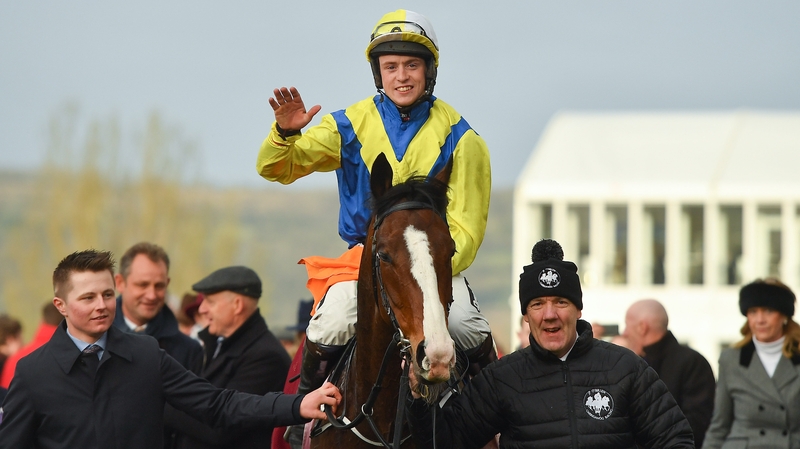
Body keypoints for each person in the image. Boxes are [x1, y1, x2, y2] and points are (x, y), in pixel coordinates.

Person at [256, 12, 496, 446]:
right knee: (332, 319)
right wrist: (284, 134)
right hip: (363, 263)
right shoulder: (346, 124)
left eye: (412, 65)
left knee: (464, 323)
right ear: (377, 72)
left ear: (430, 71)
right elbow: (276, 169)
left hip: (435, 268)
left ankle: (498, 421)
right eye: (391, 67)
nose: (401, 76)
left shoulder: (464, 140)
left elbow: (467, 228)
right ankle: (300, 423)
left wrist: (421, 270)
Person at [0, 249, 340, 448]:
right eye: (87, 298)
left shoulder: (147, 355)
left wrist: (298, 404)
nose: (101, 305)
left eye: (106, 294)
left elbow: (218, 404)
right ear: (60, 304)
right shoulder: (32, 374)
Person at [405, 239, 694, 448]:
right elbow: (445, 442)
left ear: (579, 310)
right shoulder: (502, 378)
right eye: (538, 304)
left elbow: (675, 438)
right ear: (526, 316)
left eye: (561, 302)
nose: (550, 315)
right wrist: (417, 400)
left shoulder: (625, 367)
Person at [165, 265, 292, 449]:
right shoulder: (215, 346)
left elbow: (223, 427)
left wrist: (164, 406)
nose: (202, 309)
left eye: (210, 301)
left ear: (237, 305)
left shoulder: (266, 357)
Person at [704, 278, 800, 448]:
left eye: (769, 311)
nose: (760, 320)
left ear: (784, 315)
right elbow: (719, 426)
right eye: (753, 311)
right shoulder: (731, 360)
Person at [622, 299, 716, 447]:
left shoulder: (692, 363)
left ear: (642, 327)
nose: (624, 333)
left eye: (627, 325)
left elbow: (696, 423)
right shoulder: (632, 364)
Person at [112, 242, 202, 369]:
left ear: (167, 283)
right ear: (120, 283)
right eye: (142, 285)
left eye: (159, 286)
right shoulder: (93, 338)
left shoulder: (188, 351)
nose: (152, 295)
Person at [0, 302, 62, 388]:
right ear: (10, 339)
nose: (23, 342)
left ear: (42, 321)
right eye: (20, 337)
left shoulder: (15, 360)